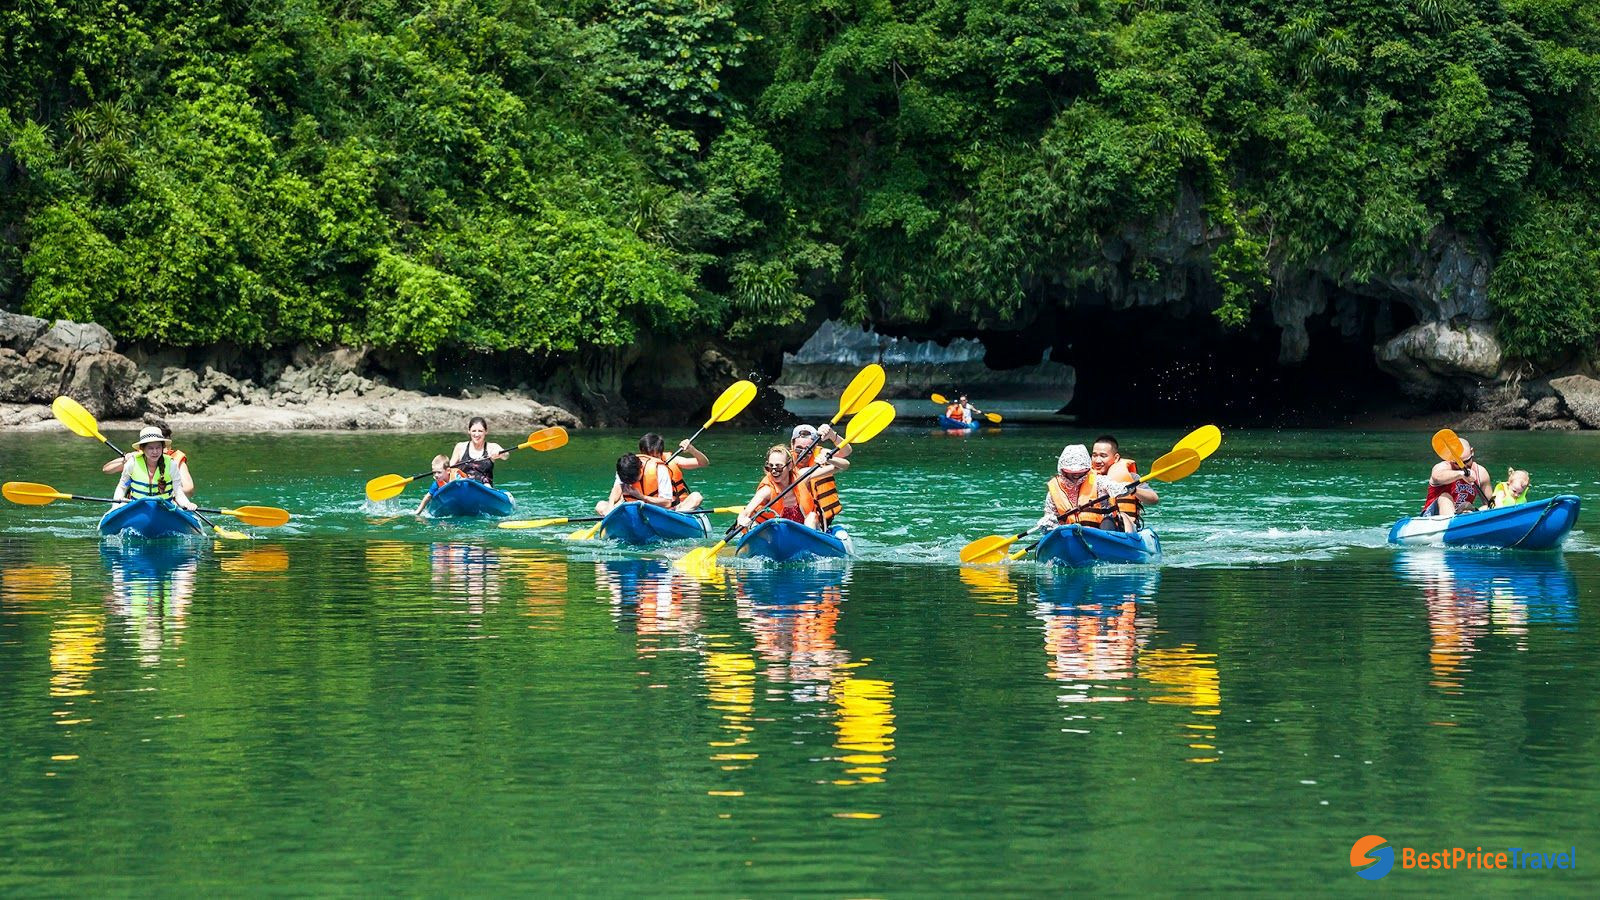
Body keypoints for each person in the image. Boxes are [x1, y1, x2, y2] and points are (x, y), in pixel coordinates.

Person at [595, 433, 707, 516]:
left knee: (696, 497)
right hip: (636, 507)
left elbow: (703, 463)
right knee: (600, 505)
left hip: (668, 509)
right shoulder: (627, 465)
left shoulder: (661, 467)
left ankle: (678, 520)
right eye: (648, 455)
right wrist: (611, 507)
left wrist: (691, 449)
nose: (651, 458)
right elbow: (617, 488)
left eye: (655, 455)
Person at [737, 444, 842, 531]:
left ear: (790, 466)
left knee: (812, 517)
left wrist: (829, 459)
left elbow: (843, 466)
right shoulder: (767, 490)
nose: (774, 471)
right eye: (770, 466)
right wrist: (742, 519)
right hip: (778, 534)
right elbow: (746, 512)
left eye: (778, 467)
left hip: (806, 532)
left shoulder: (802, 476)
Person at [112, 426, 197, 510]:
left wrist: (187, 504)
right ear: (142, 448)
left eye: (158, 447)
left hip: (164, 508)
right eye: (150, 448)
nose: (155, 452)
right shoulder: (132, 462)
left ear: (162, 447)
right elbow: (123, 486)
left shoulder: (171, 464)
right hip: (137, 507)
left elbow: (178, 492)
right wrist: (115, 506)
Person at [1036, 444, 1114, 531]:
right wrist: (1047, 523)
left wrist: (1122, 489)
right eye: (1071, 471)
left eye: (1081, 470)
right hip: (1069, 534)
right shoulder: (1053, 492)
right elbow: (1049, 514)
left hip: (1099, 531)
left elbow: (1111, 485)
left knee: (1108, 521)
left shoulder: (1099, 481)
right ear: (1063, 470)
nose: (1076, 474)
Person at [1091, 435, 1158, 532]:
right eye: (1094, 455)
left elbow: (1154, 499)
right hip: (1092, 527)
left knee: (1108, 522)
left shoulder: (1131, 478)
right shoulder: (1084, 478)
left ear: (1116, 457)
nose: (1097, 460)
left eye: (1103, 456)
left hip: (1123, 528)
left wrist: (1134, 490)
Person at [789, 423, 848, 528]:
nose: (803, 454)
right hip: (791, 514)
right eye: (798, 449)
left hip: (816, 517)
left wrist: (832, 436)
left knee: (811, 517)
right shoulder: (784, 459)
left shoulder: (822, 454)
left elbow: (846, 453)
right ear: (792, 445)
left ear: (815, 446)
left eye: (808, 450)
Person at [1423, 438, 1492, 517]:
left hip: (1461, 514)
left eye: (1466, 461)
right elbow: (1437, 476)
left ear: (1472, 452)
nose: (1463, 466)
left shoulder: (1481, 473)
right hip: (1432, 515)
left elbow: (1490, 504)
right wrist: (1461, 474)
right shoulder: (1443, 466)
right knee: (1445, 496)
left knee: (1474, 506)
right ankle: (1451, 523)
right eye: (1457, 463)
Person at [450, 417, 508, 485]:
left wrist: (501, 454)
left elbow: (506, 456)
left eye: (480, 431)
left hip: (485, 488)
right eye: (474, 431)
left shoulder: (492, 447)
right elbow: (450, 468)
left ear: (486, 431)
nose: (477, 434)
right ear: (469, 431)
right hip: (463, 487)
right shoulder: (460, 447)